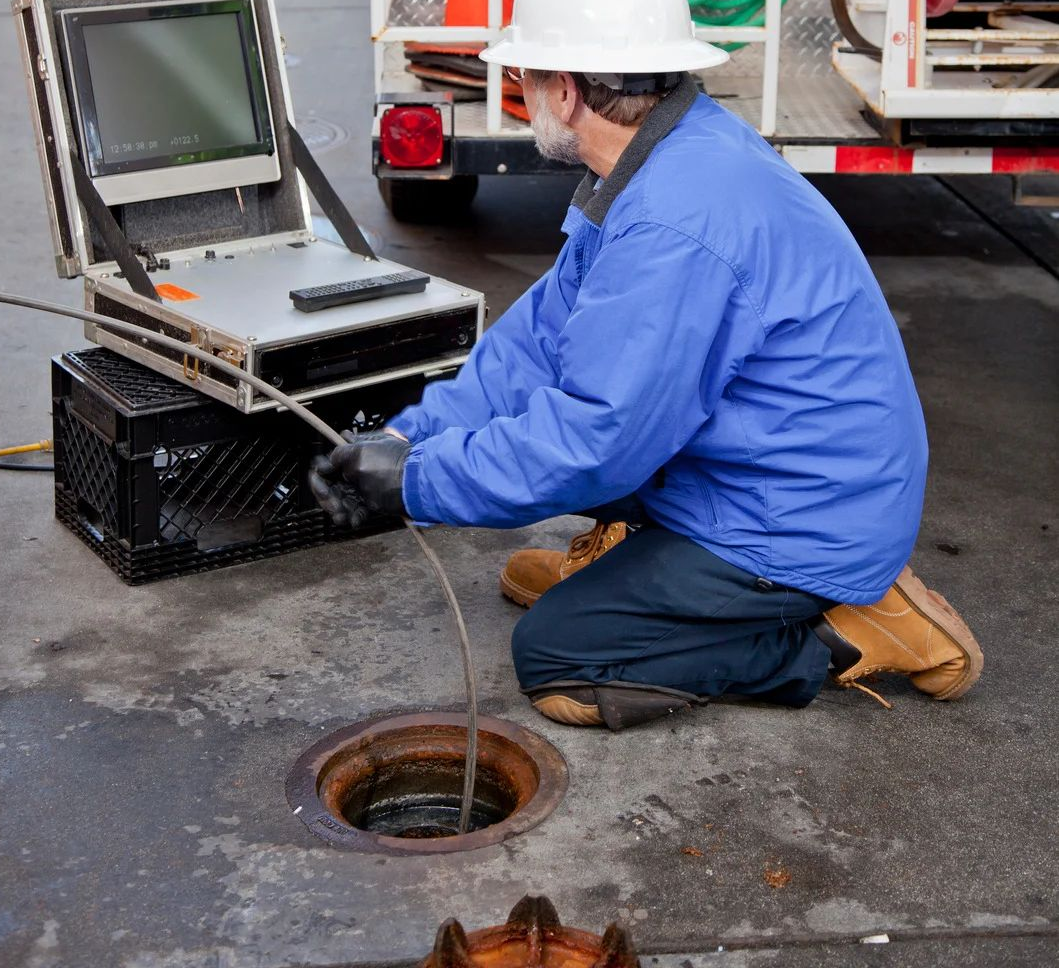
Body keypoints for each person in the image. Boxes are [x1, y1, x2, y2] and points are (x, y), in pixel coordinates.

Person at [310, 0, 983, 730]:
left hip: (799, 517)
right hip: (767, 467)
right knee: (548, 435)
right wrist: (412, 439)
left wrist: (414, 484)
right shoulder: (666, 153)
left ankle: (841, 636)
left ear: (564, 91)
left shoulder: (674, 219)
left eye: (525, 77)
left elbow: (597, 441)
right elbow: (536, 344)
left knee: (562, 657)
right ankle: (650, 578)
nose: (522, 91)